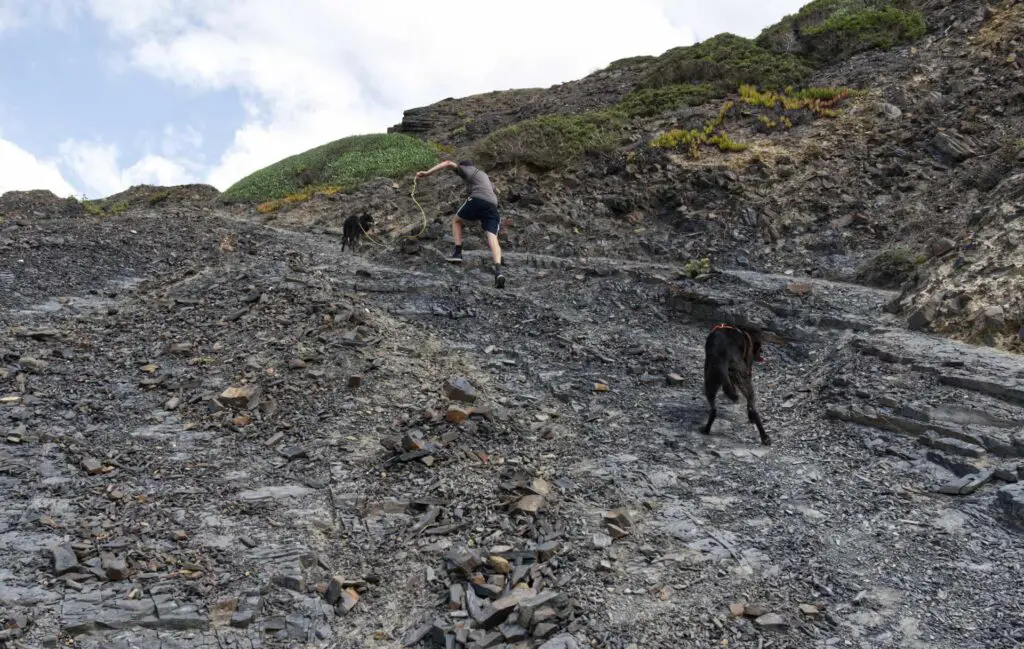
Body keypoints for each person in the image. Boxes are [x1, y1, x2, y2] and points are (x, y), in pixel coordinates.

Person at [416, 159, 505, 288]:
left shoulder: (467, 170)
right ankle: (498, 272)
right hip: (492, 205)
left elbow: (448, 163)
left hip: (478, 199)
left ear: (464, 166)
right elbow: (496, 190)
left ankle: (458, 253)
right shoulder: (483, 175)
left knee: (456, 220)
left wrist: (426, 173)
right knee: (492, 237)